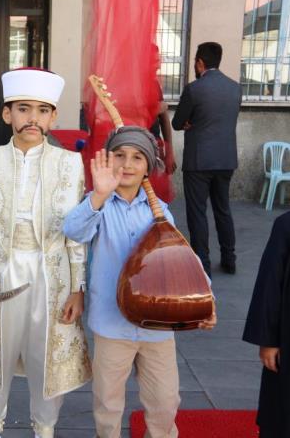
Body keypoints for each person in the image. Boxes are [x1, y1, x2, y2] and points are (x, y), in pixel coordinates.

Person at [0, 68, 91, 438]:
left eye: (42, 111)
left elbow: (75, 234)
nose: (33, 118)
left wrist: (79, 287)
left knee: (46, 359)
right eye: (24, 109)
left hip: (51, 275)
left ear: (53, 117)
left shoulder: (70, 164)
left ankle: (45, 429)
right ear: (7, 114)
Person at [63, 127, 217, 438]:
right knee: (108, 402)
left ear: (148, 166)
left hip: (158, 328)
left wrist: (206, 302)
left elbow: (185, 262)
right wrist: (100, 194)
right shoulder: (99, 206)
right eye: (119, 155)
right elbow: (73, 230)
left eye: (137, 157)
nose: (128, 164)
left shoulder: (160, 214)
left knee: (165, 400)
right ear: (107, 161)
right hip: (112, 325)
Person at [172, 41, 241, 276]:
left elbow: (177, 123)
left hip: (199, 161)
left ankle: (202, 264)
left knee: (197, 212)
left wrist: (190, 122)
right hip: (226, 159)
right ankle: (229, 259)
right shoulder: (235, 88)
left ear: (200, 63)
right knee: (223, 209)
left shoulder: (194, 89)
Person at [243, 212, 290, 437]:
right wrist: (268, 341)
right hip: (286, 338)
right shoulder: (286, 226)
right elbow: (270, 284)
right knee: (281, 413)